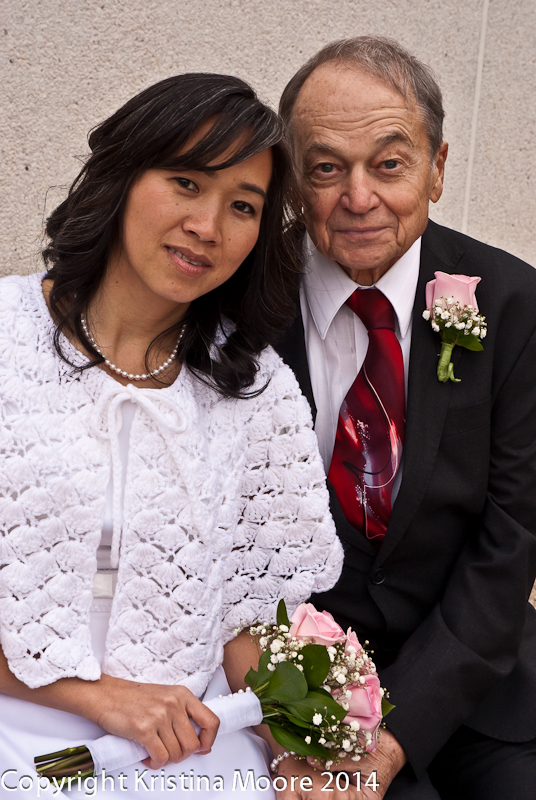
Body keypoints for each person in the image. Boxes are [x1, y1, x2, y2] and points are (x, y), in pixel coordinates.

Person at [0, 73, 343, 797]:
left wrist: (303, 751)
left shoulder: (253, 389)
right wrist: (100, 697)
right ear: (124, 176)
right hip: (22, 726)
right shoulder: (7, 340)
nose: (208, 227)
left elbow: (245, 619)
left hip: (180, 746)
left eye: (243, 206)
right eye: (187, 183)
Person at [275, 36, 536, 800]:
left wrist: (395, 736)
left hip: (479, 685)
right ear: (293, 181)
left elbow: (510, 541)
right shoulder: (241, 307)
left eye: (389, 164)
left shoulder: (512, 304)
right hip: (304, 697)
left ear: (437, 168)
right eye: (327, 168)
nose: (359, 198)